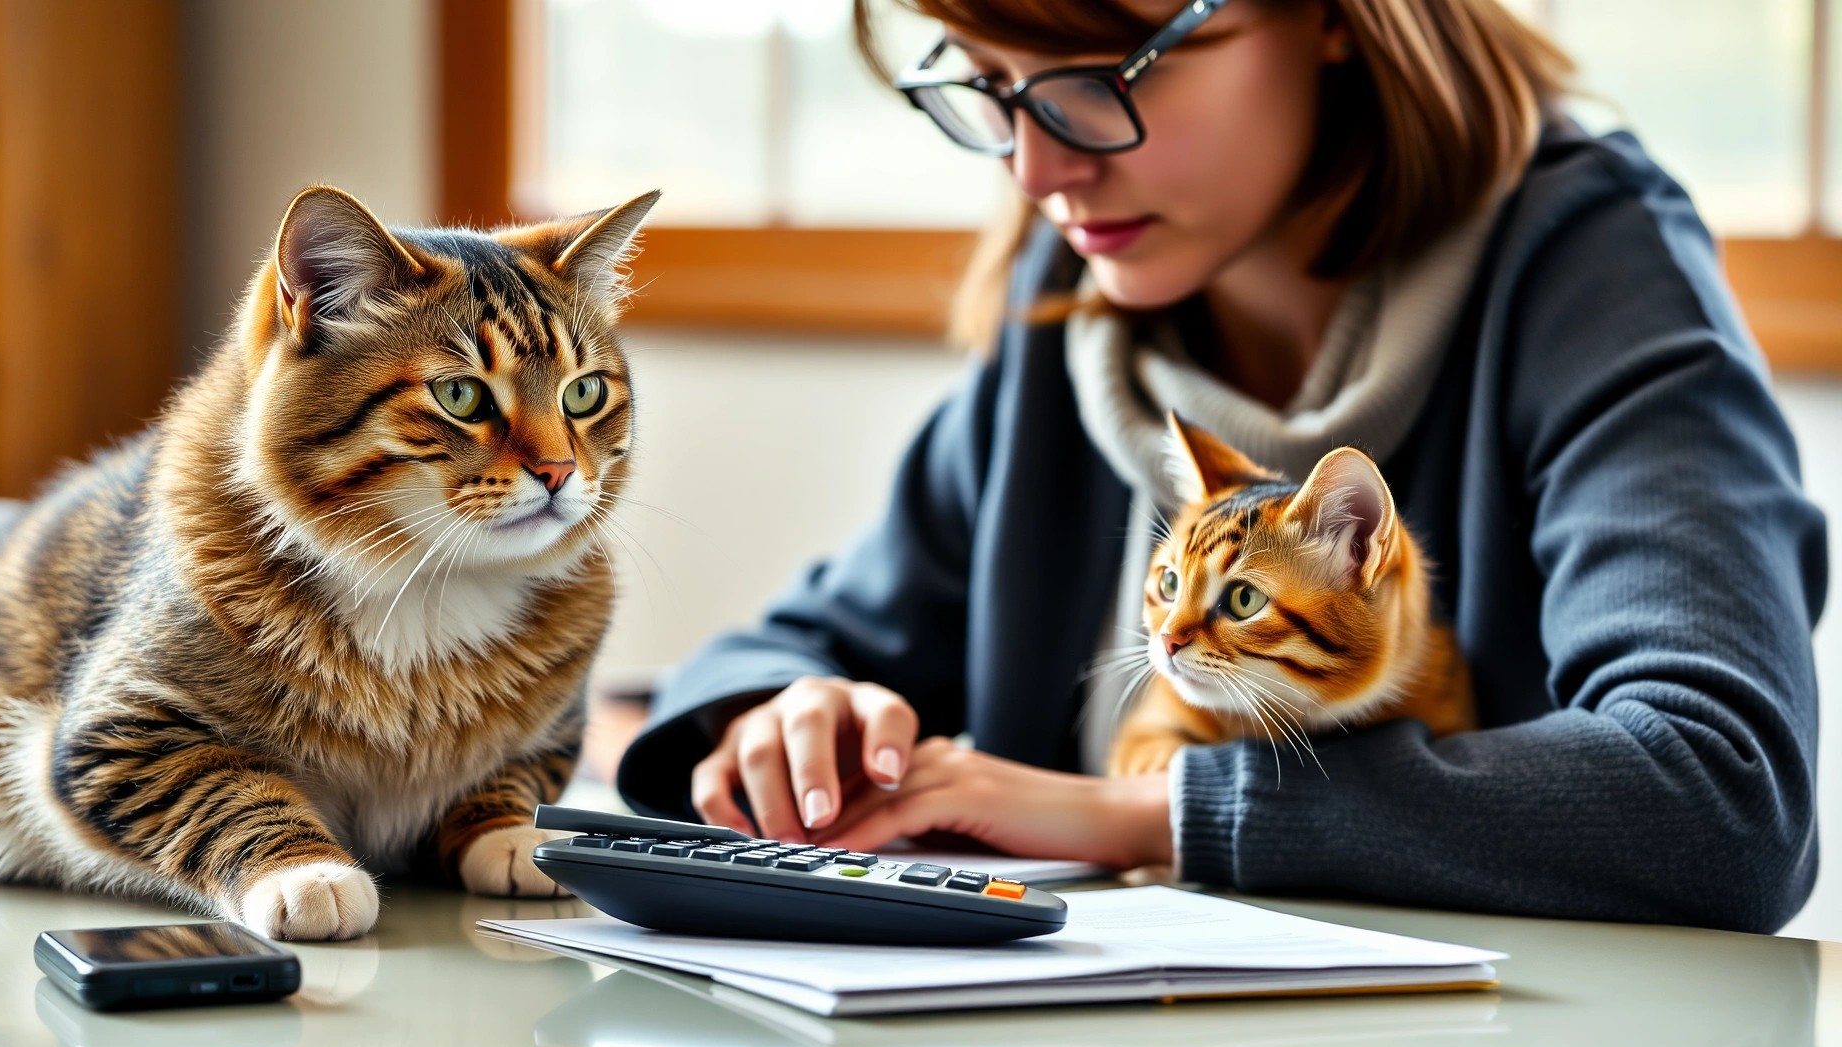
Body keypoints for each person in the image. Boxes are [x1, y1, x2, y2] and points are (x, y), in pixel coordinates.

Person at [616, 0, 1829, 934]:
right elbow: (791, 647)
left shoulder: (1594, 270)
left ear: (1337, 18)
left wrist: (1143, 814)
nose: (1036, 173)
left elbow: (1722, 796)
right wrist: (784, 720)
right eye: (988, 84)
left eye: (1105, 73)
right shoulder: (1073, 310)